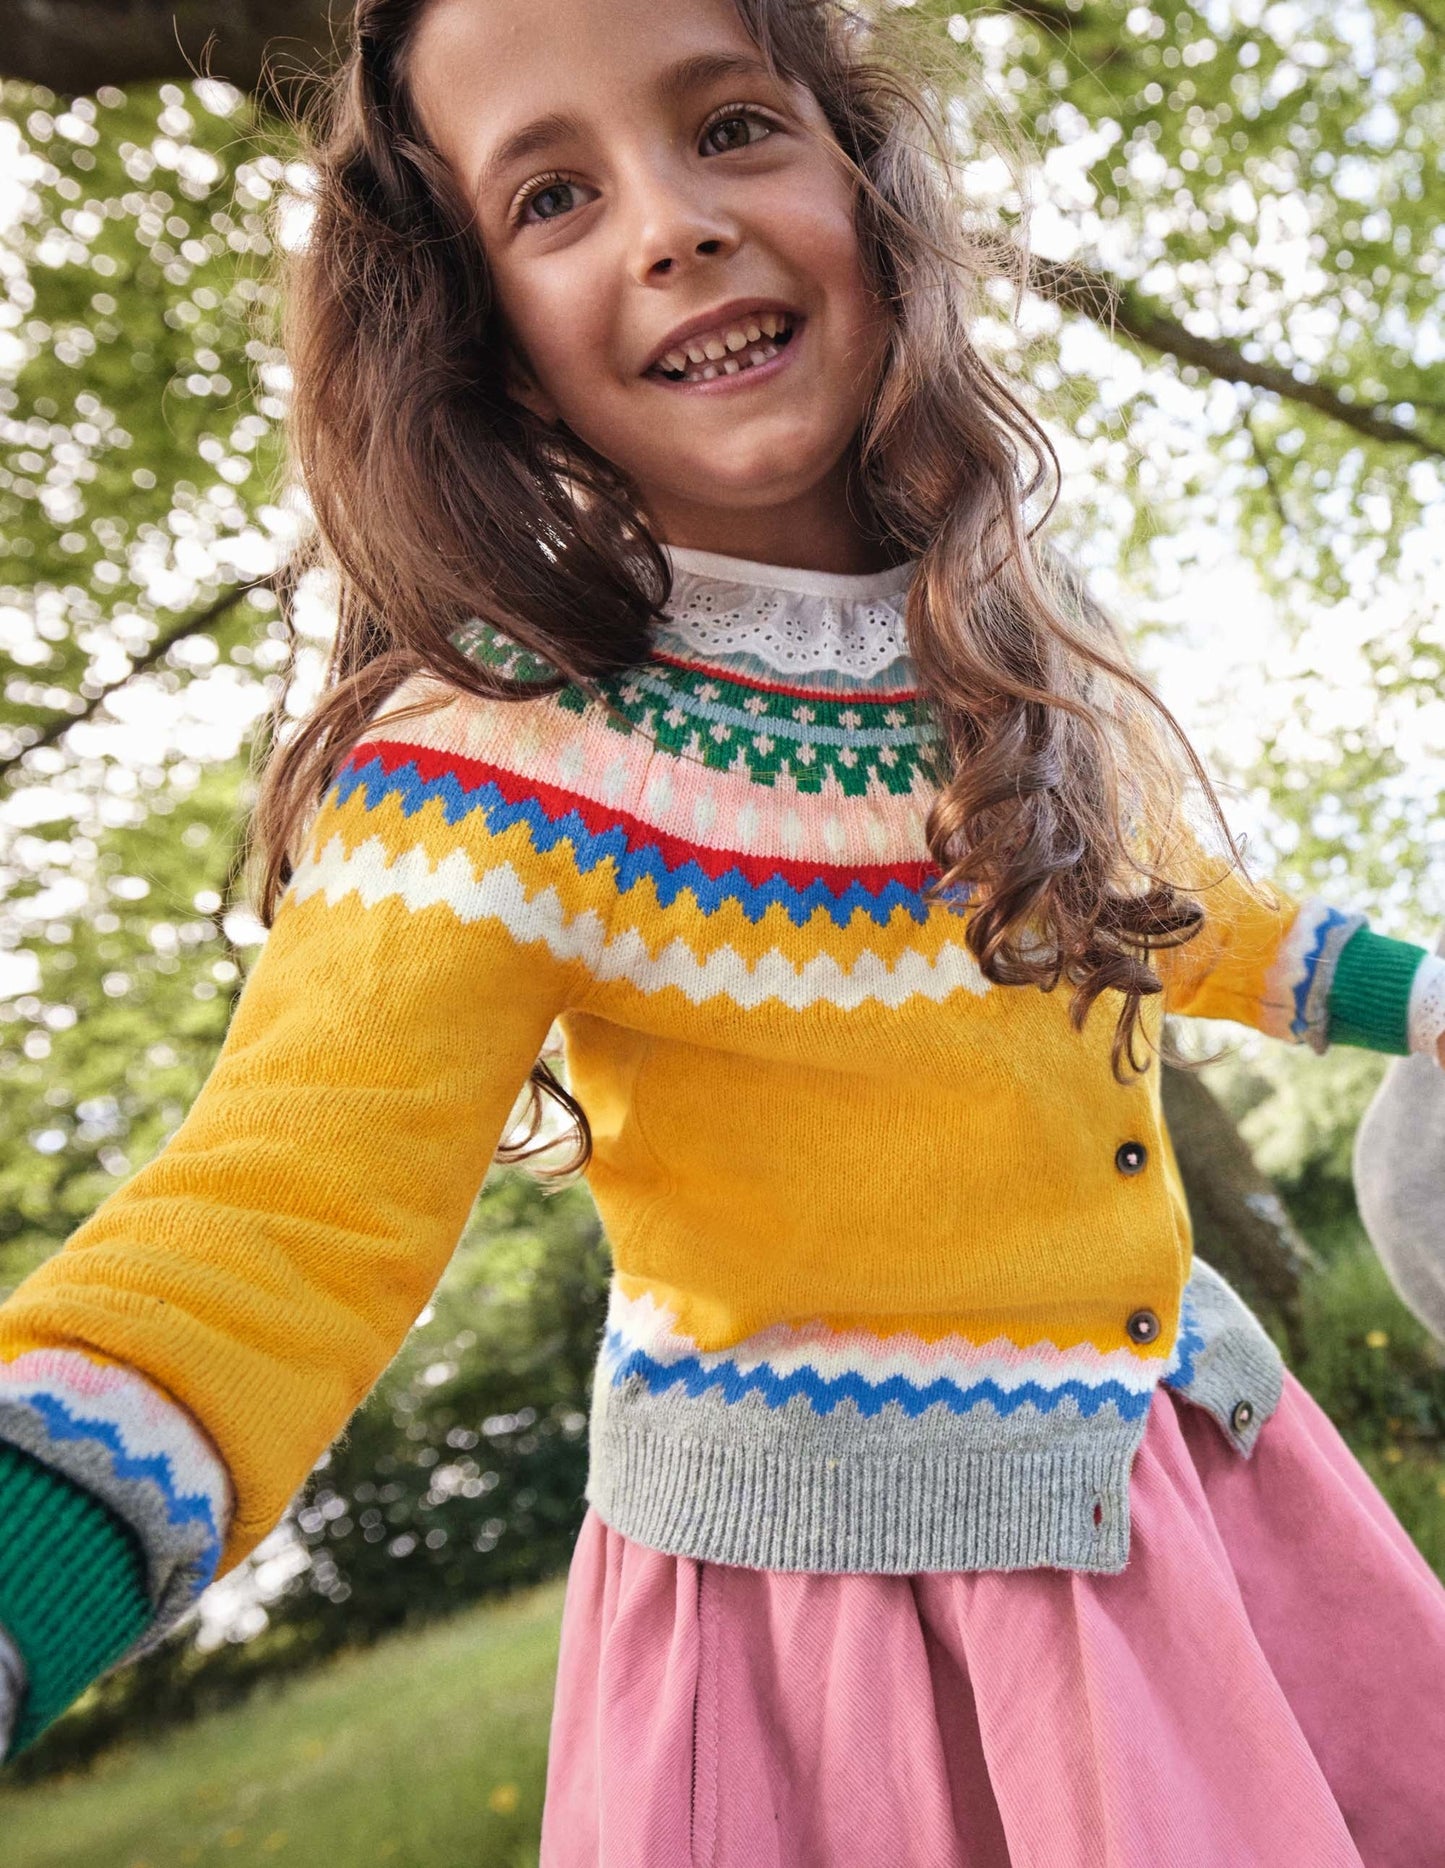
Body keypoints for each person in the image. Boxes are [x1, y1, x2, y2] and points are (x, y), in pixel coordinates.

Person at [1, 0, 1443, 1860]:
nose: (668, 222)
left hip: (1192, 1487)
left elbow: (1164, 911)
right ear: (480, 336)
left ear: (867, 181)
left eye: (735, 127)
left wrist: (1416, 1001)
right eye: (550, 197)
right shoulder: (493, 766)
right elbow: (279, 1214)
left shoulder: (991, 646)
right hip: (854, 1645)